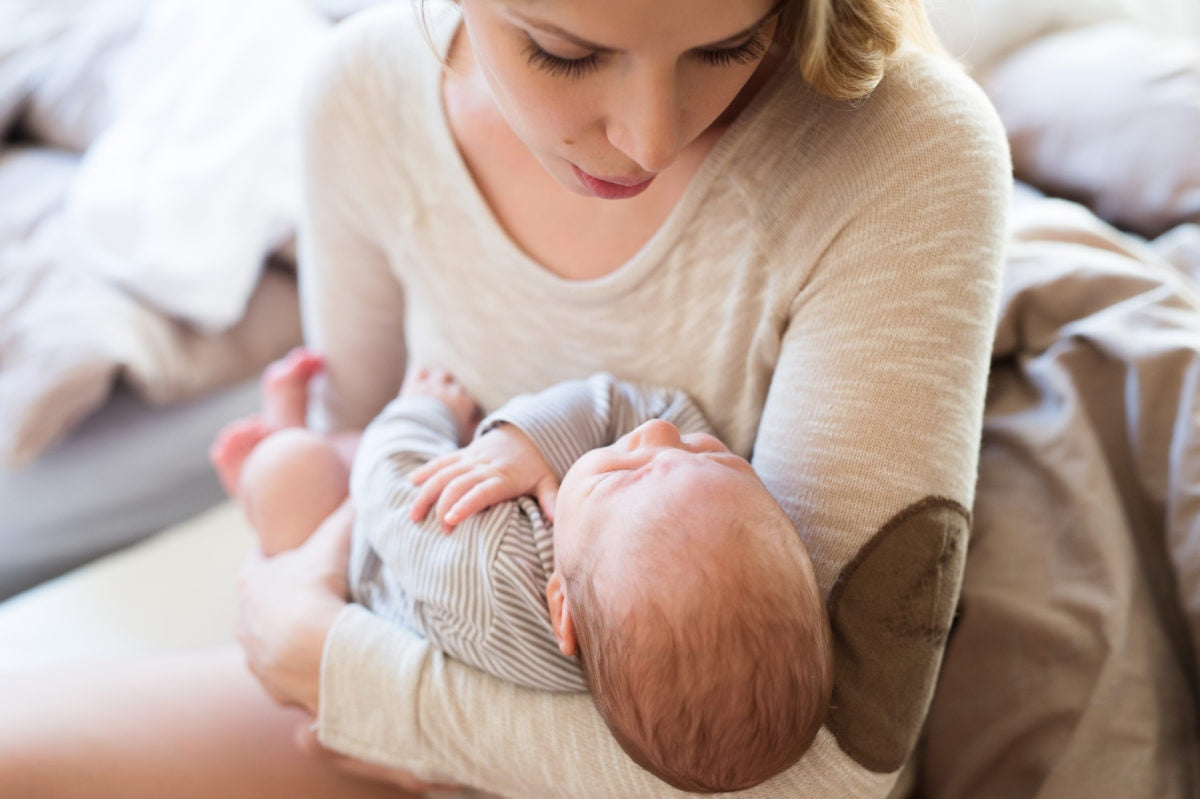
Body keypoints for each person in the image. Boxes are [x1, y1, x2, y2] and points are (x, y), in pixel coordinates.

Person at [0, 0, 1010, 796]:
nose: (648, 139)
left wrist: (341, 672)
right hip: (379, 676)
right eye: (566, 54)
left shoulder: (908, 154)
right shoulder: (361, 97)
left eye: (730, 44)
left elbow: (826, 775)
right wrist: (299, 484)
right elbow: (364, 480)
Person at [213, 352, 833, 792]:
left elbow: (392, 489)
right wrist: (530, 440)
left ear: (558, 604)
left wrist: (422, 410)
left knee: (296, 469)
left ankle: (276, 450)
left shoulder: (492, 572)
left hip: (372, 576)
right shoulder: (624, 606)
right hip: (411, 617)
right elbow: (660, 408)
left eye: (620, 471)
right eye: (713, 454)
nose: (659, 432)